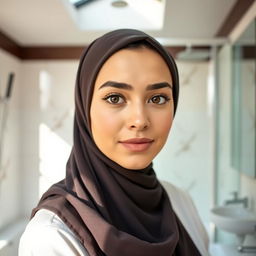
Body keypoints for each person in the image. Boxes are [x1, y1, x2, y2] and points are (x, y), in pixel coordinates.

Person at [19, 29, 210, 256]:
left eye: (157, 98)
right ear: (84, 108)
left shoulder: (180, 201)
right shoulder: (50, 237)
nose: (139, 121)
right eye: (115, 98)